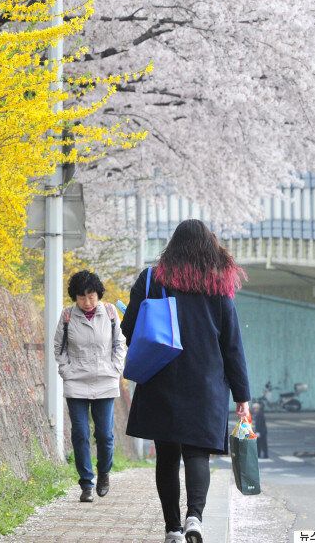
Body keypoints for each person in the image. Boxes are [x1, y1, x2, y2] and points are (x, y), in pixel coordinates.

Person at [121, 219, 251, 543]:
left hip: (161, 378)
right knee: (197, 455)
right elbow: (231, 344)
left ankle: (173, 530)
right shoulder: (218, 286)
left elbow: (128, 329)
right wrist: (242, 396)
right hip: (205, 383)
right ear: (209, 246)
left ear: (173, 245)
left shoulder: (151, 279)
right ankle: (195, 517)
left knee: (167, 456)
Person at [54, 269, 126, 503]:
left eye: (91, 295)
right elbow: (59, 348)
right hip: (76, 382)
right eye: (82, 297)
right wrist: (66, 370)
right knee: (81, 434)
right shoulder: (67, 316)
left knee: (104, 434)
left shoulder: (110, 313)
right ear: (75, 297)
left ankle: (104, 472)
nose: (87, 301)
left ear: (98, 294)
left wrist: (115, 369)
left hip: (105, 381)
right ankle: (86, 483)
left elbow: (120, 344)